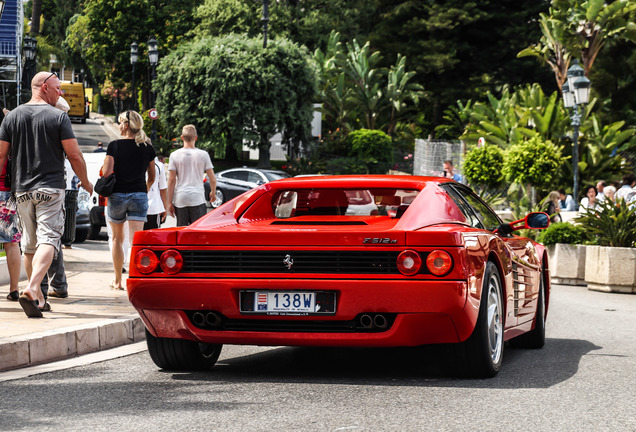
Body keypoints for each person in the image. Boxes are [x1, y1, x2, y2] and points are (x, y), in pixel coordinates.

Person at [0, 71, 93, 317]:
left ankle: (39, 298)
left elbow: (1, 156)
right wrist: (86, 182)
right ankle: (32, 289)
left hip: (21, 190)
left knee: (29, 247)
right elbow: (74, 155)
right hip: (50, 188)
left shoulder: (13, 116)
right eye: (57, 88)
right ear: (43, 87)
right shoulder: (58, 117)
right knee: (50, 239)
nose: (61, 93)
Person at [101, 110, 155, 290]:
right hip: (139, 195)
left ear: (125, 125)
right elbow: (152, 177)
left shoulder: (114, 146)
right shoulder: (147, 147)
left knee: (117, 238)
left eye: (119, 122)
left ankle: (117, 280)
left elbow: (107, 173)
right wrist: (142, 192)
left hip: (117, 195)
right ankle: (136, 278)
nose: (118, 125)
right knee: (136, 240)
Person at [167, 124, 216, 226]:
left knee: (181, 230)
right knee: (197, 231)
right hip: (197, 198)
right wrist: (213, 193)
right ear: (196, 138)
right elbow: (212, 179)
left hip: (181, 198)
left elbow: (171, 180)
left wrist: (169, 202)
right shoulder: (203, 155)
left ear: (182, 137)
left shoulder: (174, 155)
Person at [144, 156, 168, 230]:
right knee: (152, 238)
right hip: (153, 208)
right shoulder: (158, 165)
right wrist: (165, 207)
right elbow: (162, 189)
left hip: (135, 207)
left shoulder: (133, 162)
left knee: (136, 238)